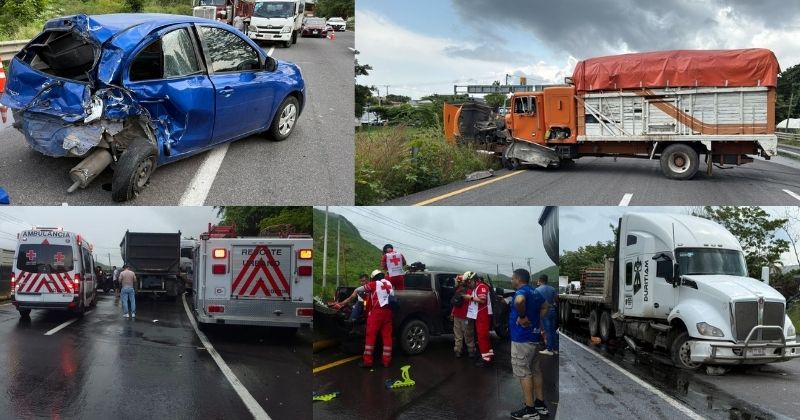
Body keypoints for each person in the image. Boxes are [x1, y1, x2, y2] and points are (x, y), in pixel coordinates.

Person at [509, 269, 549, 420]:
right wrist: (537, 320)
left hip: (522, 339)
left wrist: (523, 316)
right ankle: (540, 404)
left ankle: (530, 410)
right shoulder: (535, 292)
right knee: (536, 370)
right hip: (533, 337)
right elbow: (546, 306)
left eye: (512, 278)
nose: (511, 281)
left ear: (518, 279)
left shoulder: (522, 291)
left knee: (524, 372)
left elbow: (519, 301)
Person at [337, 269, 395, 368]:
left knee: (370, 336)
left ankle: (368, 361)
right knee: (387, 337)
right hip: (389, 312)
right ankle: (386, 361)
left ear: (372, 278)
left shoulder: (373, 284)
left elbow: (358, 290)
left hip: (377, 313)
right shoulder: (388, 283)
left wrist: (343, 302)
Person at [463, 271, 493, 367]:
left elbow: (482, 300)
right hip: (479, 314)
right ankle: (488, 355)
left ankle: (485, 359)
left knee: (482, 337)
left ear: (473, 279)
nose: (468, 284)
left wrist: (470, 298)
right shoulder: (476, 287)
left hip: (483, 314)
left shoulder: (481, 286)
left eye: (468, 282)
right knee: (483, 336)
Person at [451, 274, 476, 358]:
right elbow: (473, 304)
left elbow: (455, 303)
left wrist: (452, 313)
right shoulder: (470, 291)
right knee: (468, 334)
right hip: (466, 316)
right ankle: (471, 350)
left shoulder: (458, 290)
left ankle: (458, 351)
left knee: (458, 335)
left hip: (457, 315)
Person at [537, 274, 558, 356]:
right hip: (553, 310)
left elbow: (536, 302)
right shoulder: (552, 289)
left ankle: (549, 349)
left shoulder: (537, 290)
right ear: (546, 280)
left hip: (545, 312)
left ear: (540, 280)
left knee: (547, 331)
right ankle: (555, 349)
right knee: (553, 330)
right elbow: (555, 299)